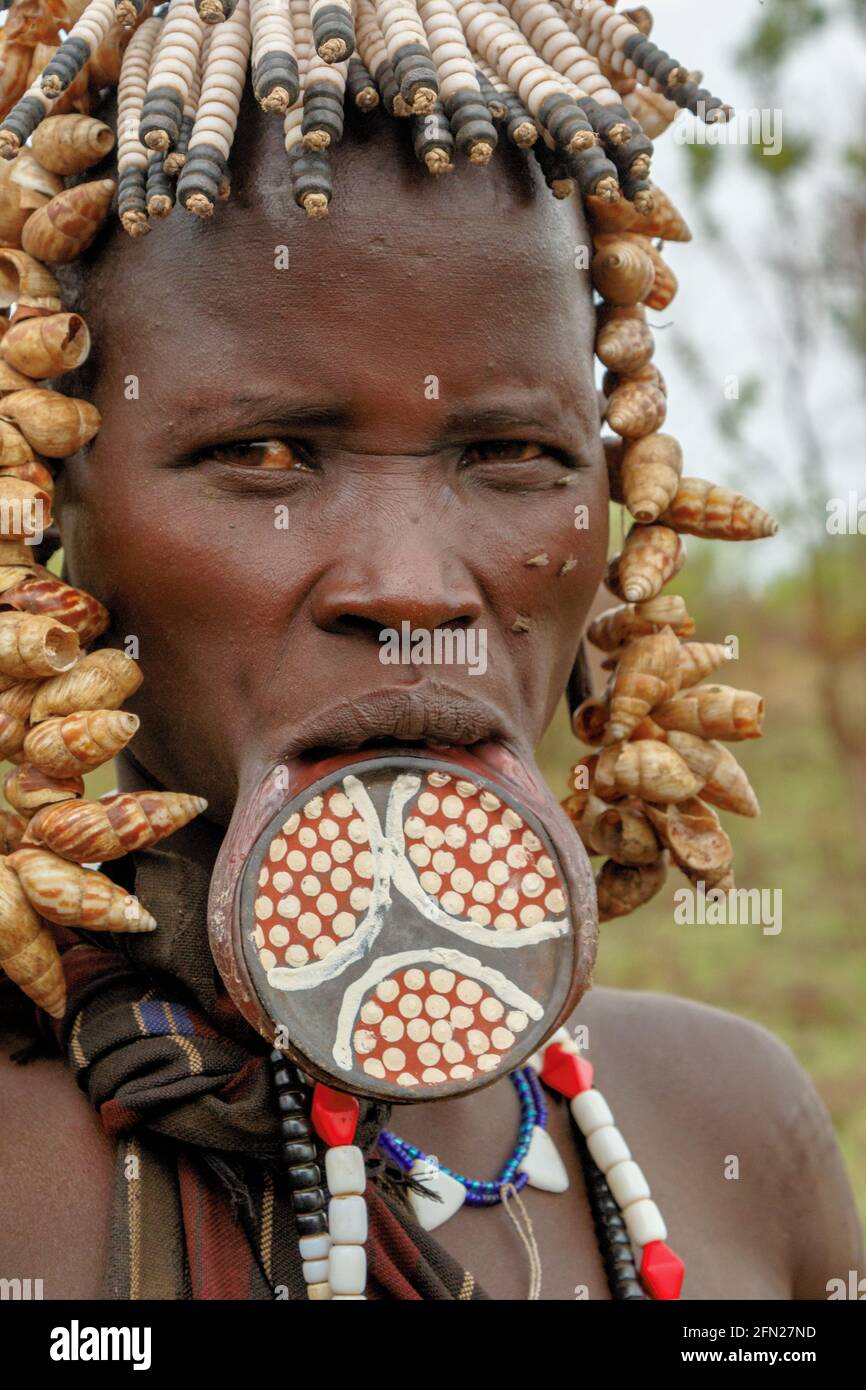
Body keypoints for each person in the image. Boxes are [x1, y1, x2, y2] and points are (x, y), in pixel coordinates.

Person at [0, 0, 862, 1301]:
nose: (408, 586)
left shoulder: (739, 1125)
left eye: (510, 453)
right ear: (58, 505)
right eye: (263, 454)